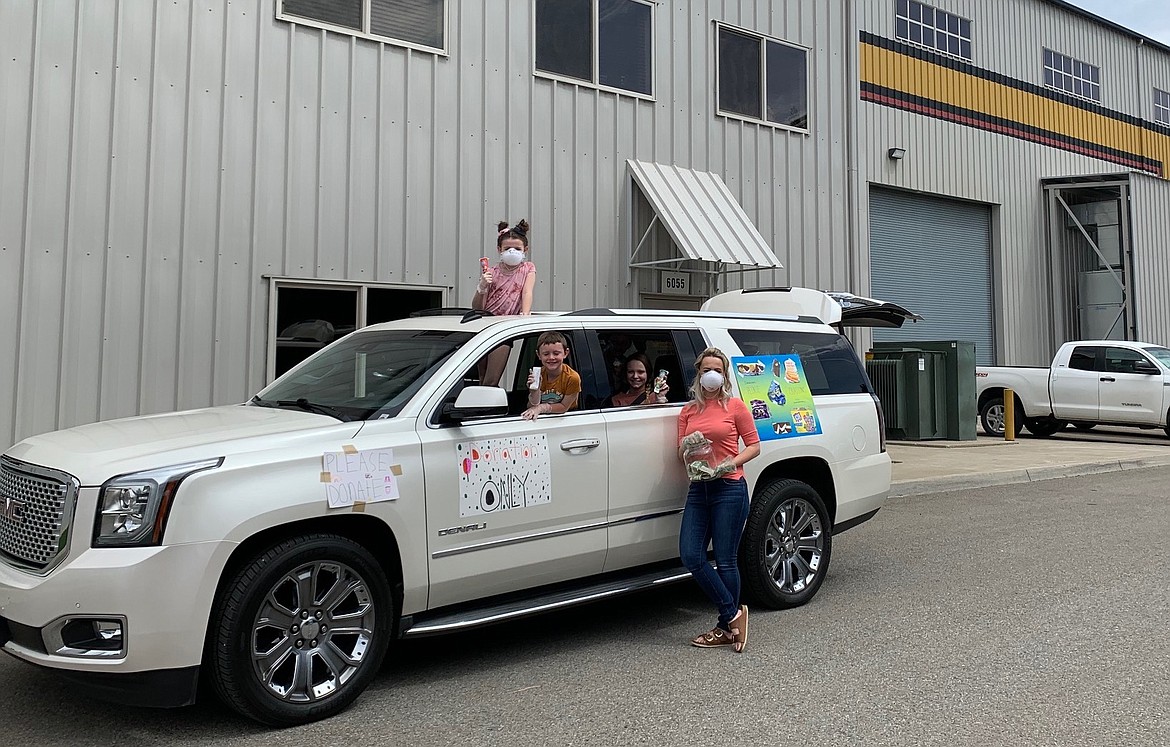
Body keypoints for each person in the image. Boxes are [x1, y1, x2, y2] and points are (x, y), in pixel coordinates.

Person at [676, 346, 761, 652]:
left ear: (724, 375)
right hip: (699, 488)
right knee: (691, 555)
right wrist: (689, 445)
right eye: (705, 369)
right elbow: (679, 452)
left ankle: (726, 628)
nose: (711, 374)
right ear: (698, 374)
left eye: (718, 369)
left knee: (725, 559)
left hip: (729, 487)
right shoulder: (688, 411)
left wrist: (731, 463)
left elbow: (754, 445)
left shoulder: (735, 407)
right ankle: (733, 613)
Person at [472, 220, 537, 385]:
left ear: (525, 250)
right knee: (482, 377)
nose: (512, 252)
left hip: (504, 328)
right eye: (507, 248)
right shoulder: (491, 272)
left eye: (517, 248)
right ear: (499, 250)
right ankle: (480, 408)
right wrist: (482, 286)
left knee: (491, 380)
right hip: (484, 326)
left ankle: (483, 408)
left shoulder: (527, 268)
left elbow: (527, 291)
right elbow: (477, 308)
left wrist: (525, 313)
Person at [523, 331, 580, 420]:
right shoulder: (538, 374)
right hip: (543, 419)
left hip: (567, 419)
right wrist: (534, 391)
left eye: (556, 353)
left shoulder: (572, 378)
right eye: (546, 354)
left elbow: (563, 407)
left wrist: (541, 408)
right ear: (538, 355)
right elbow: (531, 406)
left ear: (565, 353)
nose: (551, 358)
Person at [603, 353, 669, 407]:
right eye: (631, 372)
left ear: (648, 374)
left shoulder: (655, 396)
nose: (635, 376)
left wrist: (660, 401)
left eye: (640, 372)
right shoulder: (616, 399)